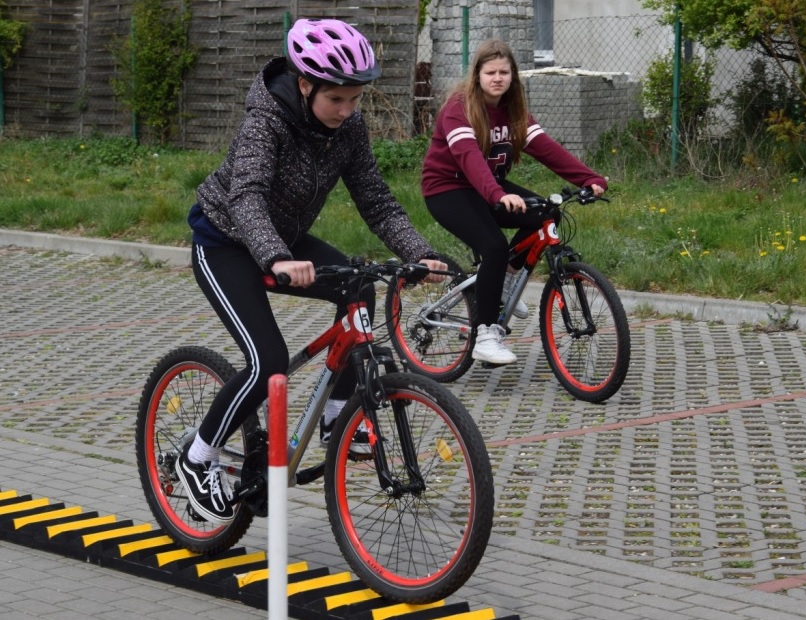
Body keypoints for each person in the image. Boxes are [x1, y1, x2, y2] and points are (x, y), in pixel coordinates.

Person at [178, 18, 447, 525]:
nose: (347, 112)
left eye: (355, 100)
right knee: (269, 361)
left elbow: (375, 198)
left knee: (360, 287)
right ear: (305, 85)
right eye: (336, 101)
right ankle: (199, 456)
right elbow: (247, 196)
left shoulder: (349, 128)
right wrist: (276, 257)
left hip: (286, 238)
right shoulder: (266, 121)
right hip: (226, 240)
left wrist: (420, 252)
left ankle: (333, 421)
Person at [422, 39, 607, 365]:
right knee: (492, 245)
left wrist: (588, 178)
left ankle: (503, 284)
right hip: (447, 189)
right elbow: (468, 158)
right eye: (490, 72)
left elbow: (547, 148)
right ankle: (484, 335)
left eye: (503, 72)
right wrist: (498, 194)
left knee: (546, 216)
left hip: (489, 185)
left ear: (513, 76)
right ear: (477, 75)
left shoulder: (513, 112)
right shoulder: (459, 108)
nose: (497, 78)